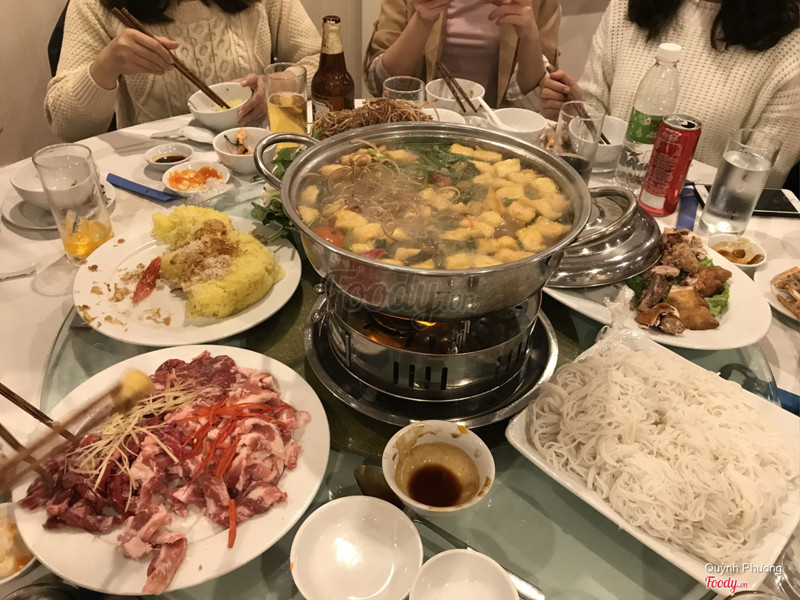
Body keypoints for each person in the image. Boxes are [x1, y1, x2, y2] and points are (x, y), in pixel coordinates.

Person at [541, 0, 800, 188]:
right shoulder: (627, 7)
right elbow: (595, 115)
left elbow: (759, 181)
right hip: (603, 198)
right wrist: (576, 114)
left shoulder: (790, 47)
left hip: (695, 222)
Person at [46, 0, 321, 142]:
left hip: (254, 156)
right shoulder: (95, 6)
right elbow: (66, 126)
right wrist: (106, 65)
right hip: (157, 174)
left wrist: (275, 85)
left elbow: (318, 60)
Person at [363, 0, 561, 109]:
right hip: (420, 125)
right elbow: (381, 85)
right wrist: (422, 20)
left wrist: (529, 34)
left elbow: (536, 100)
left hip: (498, 130)